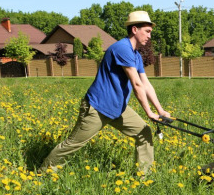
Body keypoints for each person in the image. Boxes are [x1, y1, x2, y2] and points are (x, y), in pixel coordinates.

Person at [40, 10, 169, 174]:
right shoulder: (122, 48)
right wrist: (149, 113)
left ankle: (144, 177)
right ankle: (43, 173)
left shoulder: (136, 55)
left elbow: (145, 83)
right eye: (147, 31)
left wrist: (160, 110)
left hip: (117, 108)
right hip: (97, 108)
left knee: (144, 132)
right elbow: (136, 84)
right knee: (73, 144)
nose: (150, 36)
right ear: (135, 29)